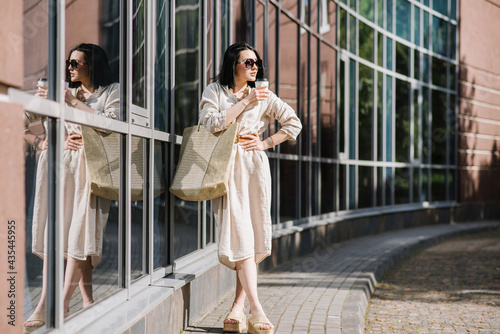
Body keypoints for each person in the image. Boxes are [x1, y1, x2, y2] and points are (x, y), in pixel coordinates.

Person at [199, 42, 302, 334]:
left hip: (254, 168)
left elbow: (294, 124)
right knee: (241, 235)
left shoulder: (265, 96)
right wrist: (245, 101)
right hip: (225, 168)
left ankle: (237, 310)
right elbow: (210, 124)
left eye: (256, 63)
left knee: (251, 234)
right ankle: (257, 309)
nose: (254, 67)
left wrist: (266, 142)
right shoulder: (215, 91)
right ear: (233, 65)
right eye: (248, 63)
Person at [23, 43, 119, 333]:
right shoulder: (63, 93)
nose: (71, 68)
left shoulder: (111, 91)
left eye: (77, 63)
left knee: (81, 233)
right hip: (61, 169)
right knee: (58, 234)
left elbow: (111, 126)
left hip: (92, 172)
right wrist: (43, 142)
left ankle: (58, 303)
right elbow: (19, 121)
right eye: (70, 63)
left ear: (93, 66)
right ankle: (79, 302)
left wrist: (71, 102)